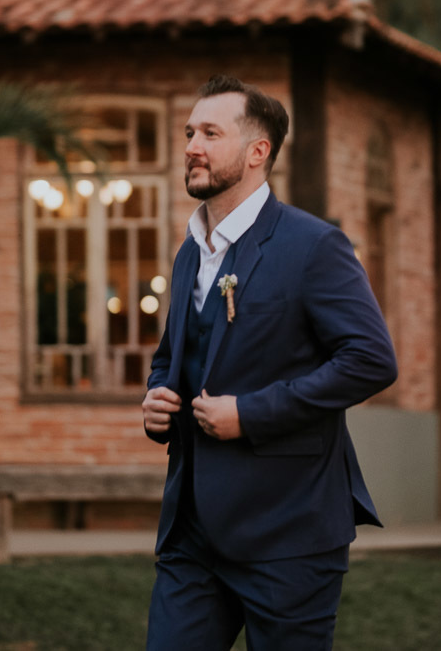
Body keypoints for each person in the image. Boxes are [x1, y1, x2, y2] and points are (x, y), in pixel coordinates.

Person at [142, 75, 397, 651]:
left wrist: (251, 413)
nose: (191, 146)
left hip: (290, 532)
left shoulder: (314, 246)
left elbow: (371, 360)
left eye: (210, 132)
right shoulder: (189, 251)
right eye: (189, 132)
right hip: (192, 534)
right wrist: (157, 396)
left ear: (258, 152)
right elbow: (171, 358)